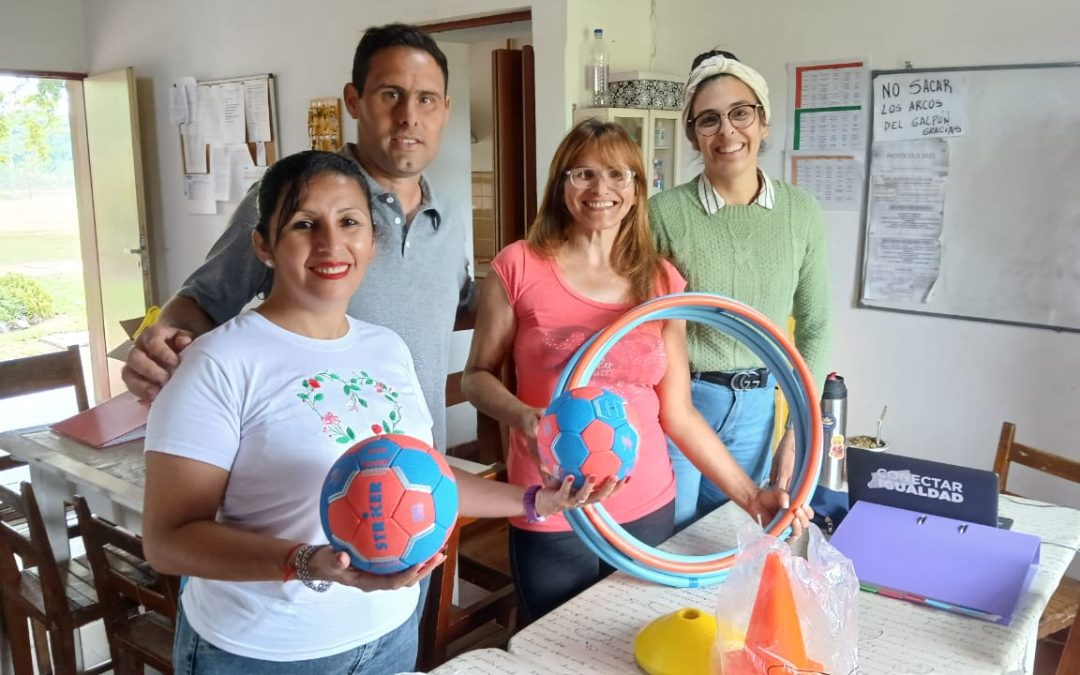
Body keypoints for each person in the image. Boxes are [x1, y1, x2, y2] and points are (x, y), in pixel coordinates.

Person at [142, 151, 616, 674]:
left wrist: (535, 501)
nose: (331, 243)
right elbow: (168, 541)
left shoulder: (385, 348)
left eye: (349, 222)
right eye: (304, 224)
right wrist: (305, 563)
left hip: (388, 637)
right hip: (265, 651)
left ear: (372, 240)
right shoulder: (217, 361)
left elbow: (425, 481)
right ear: (263, 245)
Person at [461, 119, 810, 623]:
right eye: (582, 173)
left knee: (630, 642)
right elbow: (477, 375)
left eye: (618, 175)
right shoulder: (518, 266)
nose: (601, 189)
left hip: (646, 501)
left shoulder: (661, 279)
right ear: (560, 184)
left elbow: (680, 414)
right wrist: (524, 417)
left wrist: (753, 496)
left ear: (637, 189)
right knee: (553, 645)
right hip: (552, 501)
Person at [122, 23, 469, 455]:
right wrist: (163, 342)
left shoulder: (450, 217)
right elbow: (202, 300)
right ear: (353, 101)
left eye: (426, 99)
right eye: (390, 94)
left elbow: (457, 302)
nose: (409, 116)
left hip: (419, 477)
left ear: (446, 109)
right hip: (309, 482)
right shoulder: (295, 198)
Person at [648, 49, 833, 530]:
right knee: (670, 540)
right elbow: (646, 326)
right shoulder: (663, 213)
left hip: (759, 405)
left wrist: (798, 428)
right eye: (708, 120)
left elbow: (815, 326)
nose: (727, 132)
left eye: (740, 113)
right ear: (692, 133)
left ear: (764, 121)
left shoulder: (801, 211)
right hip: (681, 403)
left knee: (732, 538)